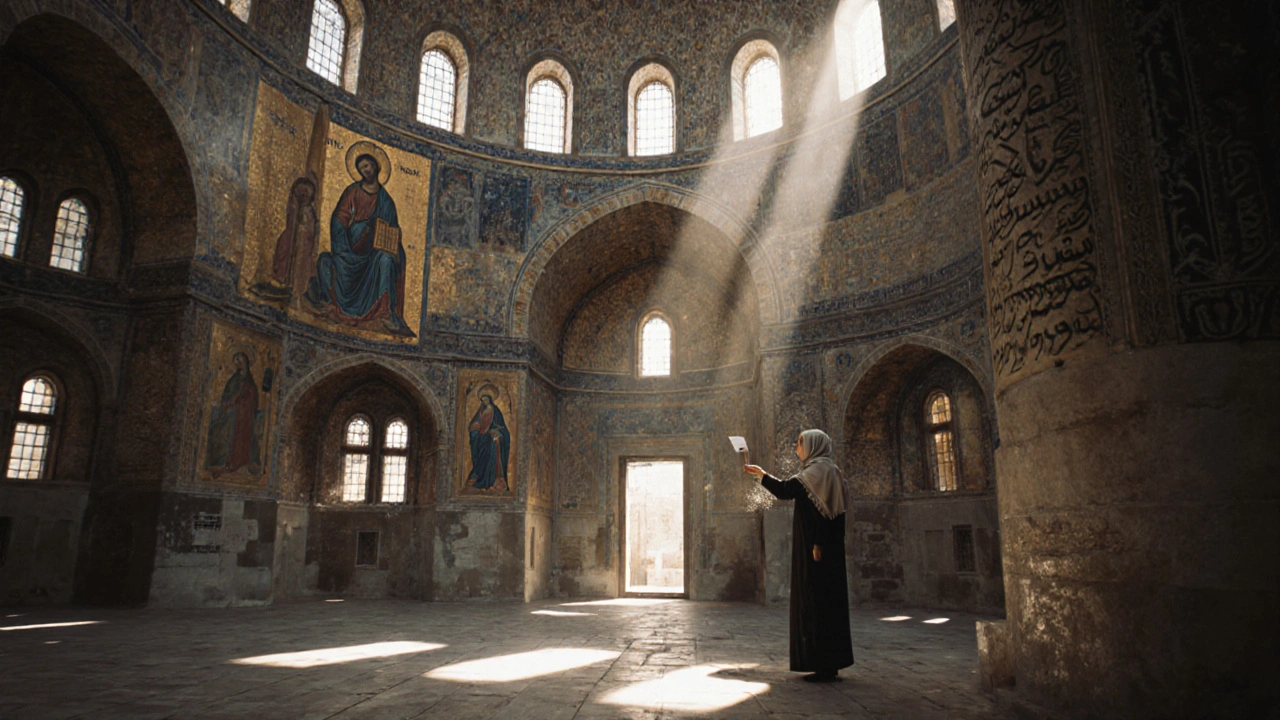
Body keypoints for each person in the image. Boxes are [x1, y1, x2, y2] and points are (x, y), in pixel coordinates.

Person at [745, 429, 854, 682]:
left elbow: (794, 496)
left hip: (817, 549)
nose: (797, 448)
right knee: (827, 602)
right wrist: (762, 475)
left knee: (816, 601)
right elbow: (790, 491)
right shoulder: (828, 471)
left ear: (814, 446)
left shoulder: (817, 473)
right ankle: (829, 663)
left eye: (800, 443)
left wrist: (818, 543)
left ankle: (822, 665)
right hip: (827, 549)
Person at [304, 150, 415, 337]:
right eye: (362, 168)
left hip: (372, 255)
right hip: (349, 249)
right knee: (324, 261)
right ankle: (328, 302)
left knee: (386, 260)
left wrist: (389, 243)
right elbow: (339, 221)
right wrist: (352, 238)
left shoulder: (386, 200)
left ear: (377, 167)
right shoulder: (352, 192)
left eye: (369, 166)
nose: (366, 170)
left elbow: (392, 230)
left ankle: (385, 312)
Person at [467, 385, 510, 491]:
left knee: (492, 447)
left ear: (490, 399)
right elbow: (475, 423)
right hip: (481, 437)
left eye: (486, 399)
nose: (484, 401)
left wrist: (496, 431)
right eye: (482, 400)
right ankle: (480, 477)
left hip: (490, 437)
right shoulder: (481, 411)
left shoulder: (496, 411)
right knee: (481, 458)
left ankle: (491, 481)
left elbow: (502, 427)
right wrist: (475, 427)